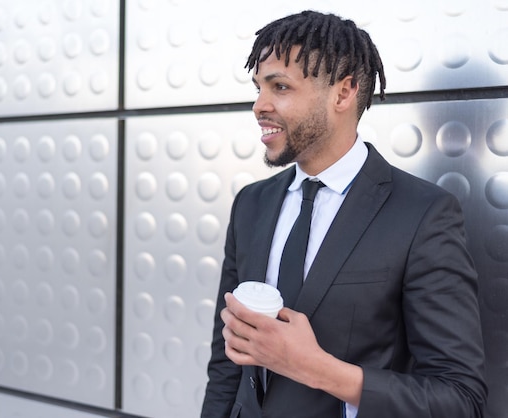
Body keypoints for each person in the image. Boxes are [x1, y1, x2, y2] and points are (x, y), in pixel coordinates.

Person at [201, 10, 486, 418]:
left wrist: (317, 369)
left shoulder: (423, 214)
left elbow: (459, 399)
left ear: (344, 92)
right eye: (258, 87)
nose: (259, 106)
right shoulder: (251, 204)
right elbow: (227, 366)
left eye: (280, 87)